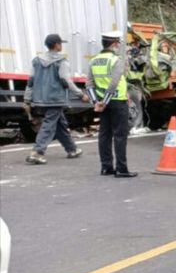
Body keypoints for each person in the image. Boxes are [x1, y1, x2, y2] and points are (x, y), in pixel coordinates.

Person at [23, 34, 89, 164]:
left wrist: (27, 99)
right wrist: (81, 94)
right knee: (49, 125)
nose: (61, 46)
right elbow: (66, 81)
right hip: (56, 98)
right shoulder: (61, 61)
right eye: (60, 43)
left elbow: (31, 81)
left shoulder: (36, 60)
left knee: (60, 124)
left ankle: (72, 149)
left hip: (41, 98)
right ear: (57, 45)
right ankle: (37, 152)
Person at [87, 31, 137, 178]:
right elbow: (114, 83)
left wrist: (97, 102)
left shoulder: (94, 60)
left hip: (102, 103)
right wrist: (105, 101)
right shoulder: (117, 60)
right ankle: (121, 169)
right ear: (114, 44)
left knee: (104, 135)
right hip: (117, 102)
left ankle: (106, 167)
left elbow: (89, 83)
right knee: (120, 135)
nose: (119, 45)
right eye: (118, 43)